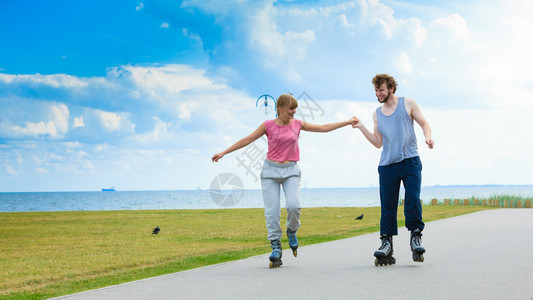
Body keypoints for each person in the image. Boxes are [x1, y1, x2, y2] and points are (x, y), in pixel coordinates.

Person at [212, 94, 358, 268]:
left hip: (291, 171)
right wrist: (224, 152)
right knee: (272, 212)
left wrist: (348, 121)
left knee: (294, 206)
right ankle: (275, 246)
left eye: (295, 109)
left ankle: (292, 231)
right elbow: (247, 139)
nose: (294, 112)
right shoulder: (268, 125)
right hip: (270, 172)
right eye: (290, 108)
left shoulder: (298, 124)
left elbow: (324, 127)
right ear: (279, 108)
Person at [352, 74, 434, 266]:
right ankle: (386, 244)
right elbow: (377, 143)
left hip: (410, 160)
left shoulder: (408, 103)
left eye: (381, 90)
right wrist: (362, 127)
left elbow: (424, 123)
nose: (378, 93)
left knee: (412, 199)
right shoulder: (377, 113)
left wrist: (428, 137)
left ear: (391, 89)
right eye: (376, 90)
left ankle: (415, 237)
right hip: (388, 165)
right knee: (388, 206)